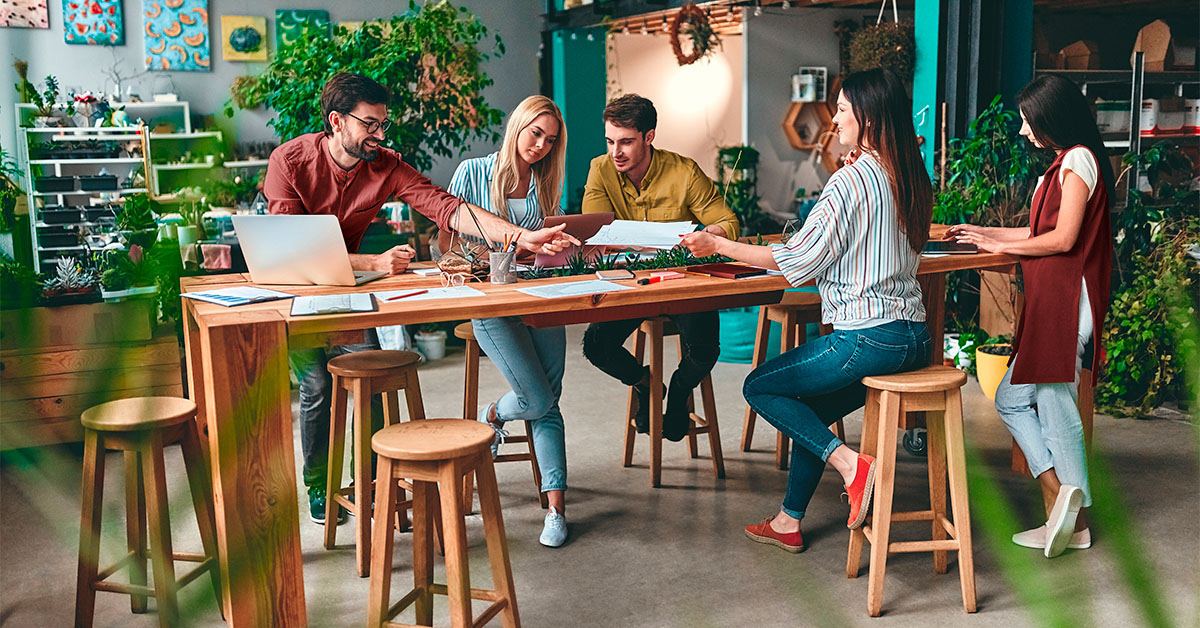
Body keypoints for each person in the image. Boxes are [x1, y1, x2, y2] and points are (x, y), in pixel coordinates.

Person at [264, 72, 577, 524]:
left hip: (348, 293)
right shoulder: (288, 161)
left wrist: (521, 237)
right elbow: (292, 246)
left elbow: (448, 208)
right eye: (370, 124)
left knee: (367, 378)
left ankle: (369, 483)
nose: (379, 134)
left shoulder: (386, 165)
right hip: (299, 290)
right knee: (315, 386)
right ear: (337, 121)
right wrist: (371, 264)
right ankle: (321, 488)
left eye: (383, 124)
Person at [678, 69, 933, 553]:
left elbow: (795, 262)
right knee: (808, 413)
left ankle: (852, 466)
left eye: (841, 110)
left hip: (867, 338)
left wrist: (716, 244)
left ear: (870, 117)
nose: (834, 120)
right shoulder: (911, 173)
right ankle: (788, 521)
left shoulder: (851, 181)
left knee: (760, 385)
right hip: (913, 339)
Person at [949, 74, 1113, 558]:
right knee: (1013, 398)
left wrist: (999, 241)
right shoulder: (1063, 164)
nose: (1024, 132)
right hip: (1052, 301)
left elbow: (1064, 240)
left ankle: (1072, 515)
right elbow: (1040, 230)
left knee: (1055, 403)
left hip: (1068, 303)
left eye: (1028, 122)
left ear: (1051, 119)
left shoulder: (1079, 159)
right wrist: (986, 233)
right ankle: (1061, 501)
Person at [443, 95, 572, 547]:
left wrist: (558, 247)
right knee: (537, 397)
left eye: (550, 140)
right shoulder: (472, 172)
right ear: (517, 125)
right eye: (535, 132)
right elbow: (453, 249)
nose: (540, 145)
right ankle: (493, 414)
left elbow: (543, 249)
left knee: (548, 400)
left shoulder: (543, 183)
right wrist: (517, 247)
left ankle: (556, 509)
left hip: (540, 296)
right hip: (490, 301)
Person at [580, 94, 740, 441]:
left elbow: (728, 222)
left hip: (681, 282)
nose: (615, 152)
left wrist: (707, 236)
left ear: (648, 137)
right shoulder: (600, 169)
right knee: (595, 345)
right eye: (610, 141)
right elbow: (595, 232)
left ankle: (679, 392)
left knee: (705, 350)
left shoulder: (683, 171)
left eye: (626, 142)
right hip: (630, 285)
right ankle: (646, 382)